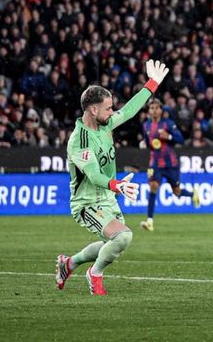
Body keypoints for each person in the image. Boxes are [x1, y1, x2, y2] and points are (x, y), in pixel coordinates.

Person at [55, 59, 169, 296]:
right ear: (93, 110)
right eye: (108, 108)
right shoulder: (80, 140)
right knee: (123, 236)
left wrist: (152, 84)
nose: (112, 112)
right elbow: (94, 175)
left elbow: (129, 110)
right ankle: (94, 274)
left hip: (107, 197)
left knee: (115, 242)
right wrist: (116, 185)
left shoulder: (104, 125)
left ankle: (69, 263)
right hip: (87, 203)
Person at [140, 98, 200, 232]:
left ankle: (192, 194)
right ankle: (149, 221)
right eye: (151, 108)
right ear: (149, 111)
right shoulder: (146, 126)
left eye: (157, 108)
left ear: (161, 110)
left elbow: (181, 140)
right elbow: (147, 141)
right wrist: (144, 143)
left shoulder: (168, 124)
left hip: (171, 164)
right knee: (153, 186)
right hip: (154, 163)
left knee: (177, 192)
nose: (154, 111)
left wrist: (169, 137)